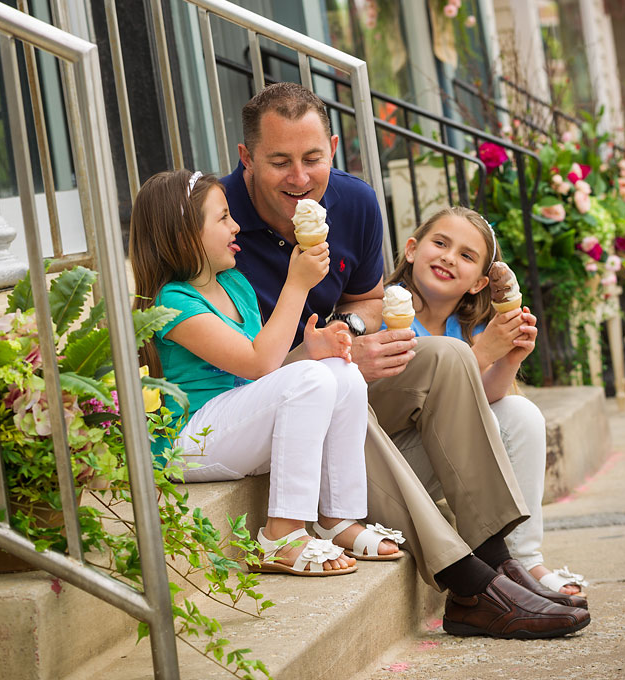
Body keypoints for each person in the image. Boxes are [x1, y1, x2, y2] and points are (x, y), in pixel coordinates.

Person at [221, 82, 590, 638]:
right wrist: (322, 358)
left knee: (444, 356)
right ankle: (468, 584)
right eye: (280, 162)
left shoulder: (354, 203)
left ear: (335, 148)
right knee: (338, 383)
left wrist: (352, 332)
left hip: (336, 371)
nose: (300, 179)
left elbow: (365, 300)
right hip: (265, 403)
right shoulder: (217, 222)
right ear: (247, 158)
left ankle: (498, 560)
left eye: (313, 158)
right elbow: (233, 361)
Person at [129, 167, 404, 578]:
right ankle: (281, 535)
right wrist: (297, 285)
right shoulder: (172, 302)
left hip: (231, 428)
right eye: (222, 218)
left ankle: (337, 518)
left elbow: (264, 375)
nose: (236, 225)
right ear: (185, 234)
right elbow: (259, 362)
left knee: (340, 371)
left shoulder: (235, 285)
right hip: (188, 440)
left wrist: (310, 351)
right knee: (313, 376)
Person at [385, 205, 587, 598]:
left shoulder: (465, 330)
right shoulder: (387, 313)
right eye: (440, 243)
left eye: (466, 255)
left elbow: (481, 397)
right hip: (390, 461)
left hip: (440, 458)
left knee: (521, 413)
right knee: (487, 419)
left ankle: (525, 558)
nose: (448, 257)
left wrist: (508, 358)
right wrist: (484, 353)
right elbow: (412, 400)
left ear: (479, 283)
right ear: (412, 249)